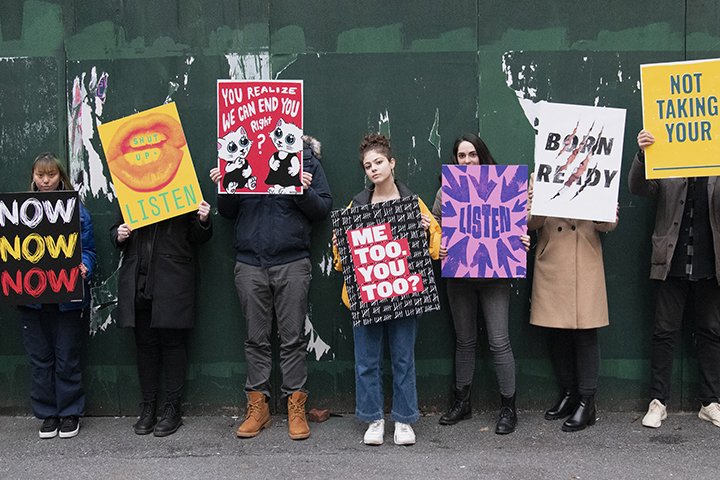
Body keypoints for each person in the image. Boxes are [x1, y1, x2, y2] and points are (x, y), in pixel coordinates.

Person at [210, 135, 332, 440]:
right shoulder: (242, 156)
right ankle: (258, 408)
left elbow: (322, 209)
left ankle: (296, 407)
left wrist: (301, 190)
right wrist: (225, 185)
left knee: (292, 339)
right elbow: (227, 211)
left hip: (292, 260)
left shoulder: (305, 159)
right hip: (250, 262)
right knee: (255, 339)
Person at [332, 133, 441, 446]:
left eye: (378, 162)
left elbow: (435, 249)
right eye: (367, 166)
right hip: (366, 296)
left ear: (392, 163)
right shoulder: (357, 205)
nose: (373, 169)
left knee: (403, 359)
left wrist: (423, 232)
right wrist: (341, 245)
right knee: (366, 360)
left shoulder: (412, 203)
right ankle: (374, 418)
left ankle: (404, 420)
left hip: (404, 293)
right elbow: (342, 260)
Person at [431, 134, 526, 434]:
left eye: (473, 154)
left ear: (482, 156)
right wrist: (439, 246)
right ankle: (463, 403)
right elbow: (434, 229)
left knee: (499, 341)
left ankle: (509, 409)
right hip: (459, 276)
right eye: (462, 156)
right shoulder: (446, 191)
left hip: (496, 277)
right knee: (465, 341)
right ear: (455, 159)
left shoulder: (504, 186)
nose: (468, 161)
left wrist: (523, 239)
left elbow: (519, 224)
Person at [629, 129, 720, 429]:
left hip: (711, 258)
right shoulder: (668, 152)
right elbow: (640, 188)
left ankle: (710, 402)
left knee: (710, 330)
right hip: (671, 258)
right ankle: (658, 402)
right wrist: (643, 155)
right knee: (664, 331)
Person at [111, 200, 212, 437]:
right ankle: (149, 408)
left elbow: (198, 236)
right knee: (145, 346)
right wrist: (119, 234)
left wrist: (204, 220)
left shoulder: (184, 184)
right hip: (138, 277)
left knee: (173, 344)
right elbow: (115, 230)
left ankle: (172, 409)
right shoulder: (131, 186)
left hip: (171, 277)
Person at [527, 175, 617, 432]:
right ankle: (569, 393)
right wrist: (537, 205)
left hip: (585, 259)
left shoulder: (598, 168)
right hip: (552, 260)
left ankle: (587, 402)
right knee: (556, 332)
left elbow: (609, 224)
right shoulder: (541, 173)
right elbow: (529, 223)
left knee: (587, 332)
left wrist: (605, 210)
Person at [19, 153, 96, 439]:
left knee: (67, 357)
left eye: (51, 174)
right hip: (32, 298)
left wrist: (85, 266)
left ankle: (69, 413)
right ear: (34, 178)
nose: (46, 180)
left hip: (67, 297)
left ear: (60, 176)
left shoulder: (76, 210)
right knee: (40, 359)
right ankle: (47, 414)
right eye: (41, 175)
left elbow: (88, 250)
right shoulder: (18, 211)